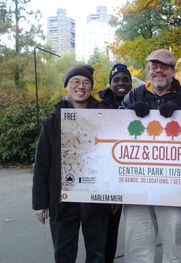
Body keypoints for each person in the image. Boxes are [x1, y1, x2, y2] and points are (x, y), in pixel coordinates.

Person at [121, 49, 181, 263]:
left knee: (172, 246)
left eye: (164, 66)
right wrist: (127, 114)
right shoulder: (134, 95)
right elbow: (114, 129)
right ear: (148, 70)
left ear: (173, 70)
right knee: (137, 245)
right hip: (137, 186)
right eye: (154, 66)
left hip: (174, 188)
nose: (158, 70)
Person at [32, 65, 111, 263]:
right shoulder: (54, 120)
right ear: (66, 86)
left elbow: (113, 158)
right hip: (63, 200)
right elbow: (42, 163)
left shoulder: (106, 117)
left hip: (96, 198)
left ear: (91, 88)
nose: (81, 86)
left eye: (86, 82)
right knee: (64, 254)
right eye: (75, 81)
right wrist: (40, 203)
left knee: (97, 254)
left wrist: (116, 196)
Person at [99, 63, 132, 263]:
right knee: (105, 233)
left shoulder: (139, 102)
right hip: (107, 180)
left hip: (133, 176)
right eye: (116, 79)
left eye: (125, 79)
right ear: (110, 83)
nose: (121, 83)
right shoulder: (99, 107)